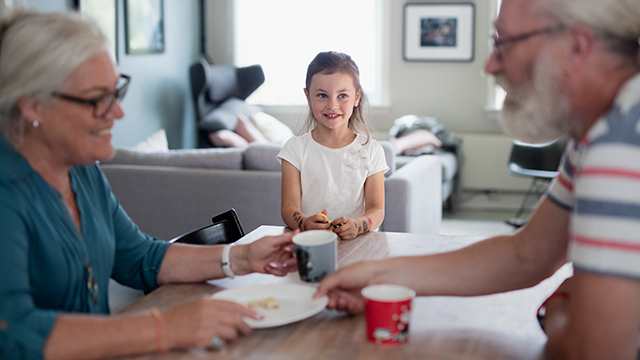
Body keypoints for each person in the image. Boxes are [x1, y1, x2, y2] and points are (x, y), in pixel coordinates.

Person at [315, 0, 640, 359]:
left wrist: (560, 306)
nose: (490, 65)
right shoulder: (598, 131)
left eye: (503, 43)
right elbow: (527, 254)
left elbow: (592, 350)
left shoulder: (623, 139)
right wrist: (378, 274)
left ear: (576, 48)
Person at [0, 9, 298, 360]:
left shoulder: (82, 172)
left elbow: (140, 257)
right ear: (34, 107)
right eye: (98, 99)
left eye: (117, 91)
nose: (119, 113)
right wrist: (165, 328)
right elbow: (13, 333)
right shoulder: (8, 193)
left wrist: (241, 256)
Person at [277, 51, 388, 240]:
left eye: (342, 95)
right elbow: (289, 208)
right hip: (312, 243)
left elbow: (377, 210)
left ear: (356, 97)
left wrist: (358, 225)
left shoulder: (372, 150)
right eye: (322, 95)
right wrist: (304, 223)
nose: (332, 105)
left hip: (360, 245)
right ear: (308, 97)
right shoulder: (294, 149)